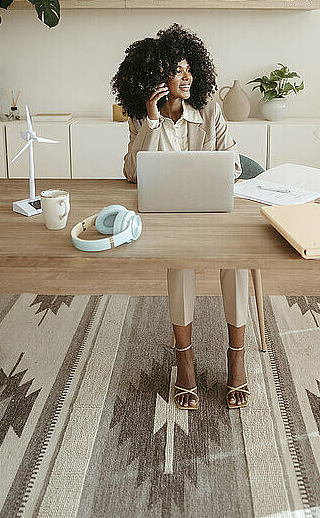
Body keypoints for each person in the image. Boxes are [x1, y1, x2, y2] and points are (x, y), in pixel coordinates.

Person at [111, 24, 250, 410]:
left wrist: (210, 172)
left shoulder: (210, 110)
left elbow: (234, 166)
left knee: (236, 262)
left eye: (191, 69)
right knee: (179, 265)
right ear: (157, 77)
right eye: (178, 70)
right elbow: (133, 173)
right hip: (170, 217)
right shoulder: (142, 117)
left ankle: (236, 358)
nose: (187, 77)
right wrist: (153, 122)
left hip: (214, 212)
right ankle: (184, 361)